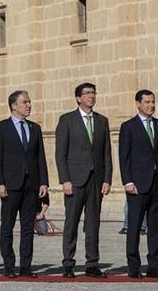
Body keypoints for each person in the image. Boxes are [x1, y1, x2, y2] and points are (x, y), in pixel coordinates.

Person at [54, 83, 112, 278]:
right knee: (71, 223)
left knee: (93, 223)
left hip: (96, 180)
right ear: (78, 98)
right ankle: (68, 263)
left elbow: (106, 153)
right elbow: (60, 154)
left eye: (93, 93)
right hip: (75, 180)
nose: (91, 96)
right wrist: (65, 180)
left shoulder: (102, 121)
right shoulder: (67, 120)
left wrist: (107, 179)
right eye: (87, 93)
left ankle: (92, 263)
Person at [0, 90, 48, 278]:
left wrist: (44, 183)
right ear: (14, 105)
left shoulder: (34, 128)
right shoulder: (0, 128)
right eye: (25, 102)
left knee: (27, 228)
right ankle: (8, 265)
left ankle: (26, 266)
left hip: (31, 185)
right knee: (7, 226)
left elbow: (40, 158)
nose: (29, 105)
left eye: (29, 102)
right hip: (10, 185)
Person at [119, 89, 158, 279]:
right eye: (147, 102)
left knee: (156, 228)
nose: (151, 105)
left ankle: (154, 267)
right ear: (138, 104)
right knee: (134, 227)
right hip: (137, 185)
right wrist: (128, 181)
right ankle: (133, 267)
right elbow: (124, 157)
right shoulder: (128, 127)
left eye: (153, 102)